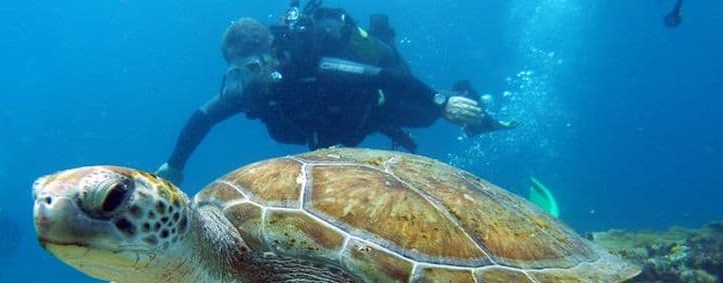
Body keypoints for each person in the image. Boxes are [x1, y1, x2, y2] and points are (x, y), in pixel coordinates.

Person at [156, 1, 515, 185]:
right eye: (237, 71)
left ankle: (468, 101)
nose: (250, 79)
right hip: (333, 129)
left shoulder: (319, 64)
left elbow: (387, 77)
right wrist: (175, 164)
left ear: (272, 53)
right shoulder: (249, 91)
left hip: (373, 105)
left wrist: (442, 101)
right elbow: (203, 118)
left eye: (253, 67)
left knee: (426, 116)